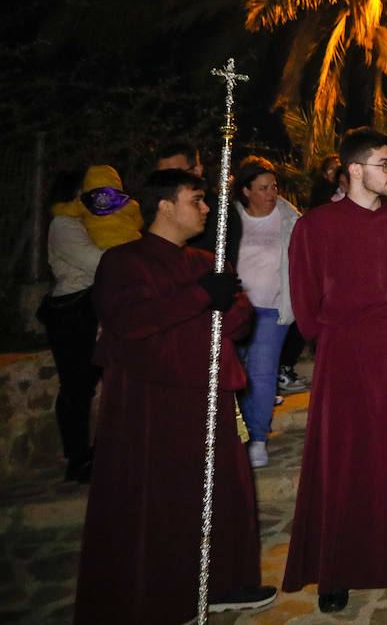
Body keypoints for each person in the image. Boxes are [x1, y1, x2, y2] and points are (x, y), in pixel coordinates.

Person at [74, 169, 274, 622]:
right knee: (165, 501)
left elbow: (240, 321)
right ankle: (162, 595)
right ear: (164, 206)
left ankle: (223, 582)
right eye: (196, 199)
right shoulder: (123, 262)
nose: (205, 209)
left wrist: (225, 302)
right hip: (154, 404)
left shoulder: (207, 260)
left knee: (223, 492)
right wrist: (198, 297)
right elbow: (130, 322)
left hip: (210, 395)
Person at [283, 127, 387, 613]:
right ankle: (337, 569)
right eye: (385, 163)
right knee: (346, 458)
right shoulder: (315, 226)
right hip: (346, 355)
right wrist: (338, 339)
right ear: (355, 170)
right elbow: (305, 299)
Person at [230, 156, 301, 467]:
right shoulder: (231, 219)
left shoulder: (290, 219)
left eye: (273, 186)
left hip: (272, 308)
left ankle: (258, 438)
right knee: (234, 373)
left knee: (261, 373)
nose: (271, 193)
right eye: (262, 188)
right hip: (235, 308)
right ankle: (237, 434)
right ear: (246, 191)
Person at [39, 171, 106, 482]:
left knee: (86, 384)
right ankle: (77, 458)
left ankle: (90, 453)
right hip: (72, 312)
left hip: (84, 308)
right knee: (77, 387)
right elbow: (96, 262)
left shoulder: (80, 221)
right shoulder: (63, 225)